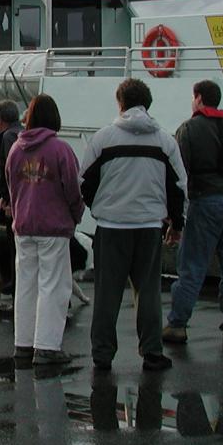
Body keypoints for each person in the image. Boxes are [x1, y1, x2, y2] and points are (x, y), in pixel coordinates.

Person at [80, 78, 186, 372]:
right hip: (149, 225)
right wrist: (175, 222)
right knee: (149, 291)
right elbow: (178, 186)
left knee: (107, 293)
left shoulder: (103, 138)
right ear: (147, 104)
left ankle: (102, 354)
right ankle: (152, 351)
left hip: (112, 226)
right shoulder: (165, 140)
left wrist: (100, 207)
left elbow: (84, 183)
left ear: (120, 103)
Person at [165, 80, 223, 346]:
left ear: (199, 98)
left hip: (205, 200)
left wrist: (175, 217)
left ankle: (178, 324)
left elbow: (180, 173)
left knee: (192, 265)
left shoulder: (189, 129)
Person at [5, 94, 85, 367]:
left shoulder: (16, 149)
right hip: (53, 226)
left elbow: (11, 185)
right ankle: (47, 347)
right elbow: (74, 189)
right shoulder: (60, 149)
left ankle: (23, 343)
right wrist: (76, 215)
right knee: (54, 286)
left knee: (26, 285)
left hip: (24, 225)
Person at [0, 99, 24, 314]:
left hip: (14, 204)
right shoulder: (22, 133)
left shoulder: (7, 137)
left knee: (15, 250)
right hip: (25, 201)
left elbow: (9, 169)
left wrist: (8, 198)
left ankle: (17, 297)